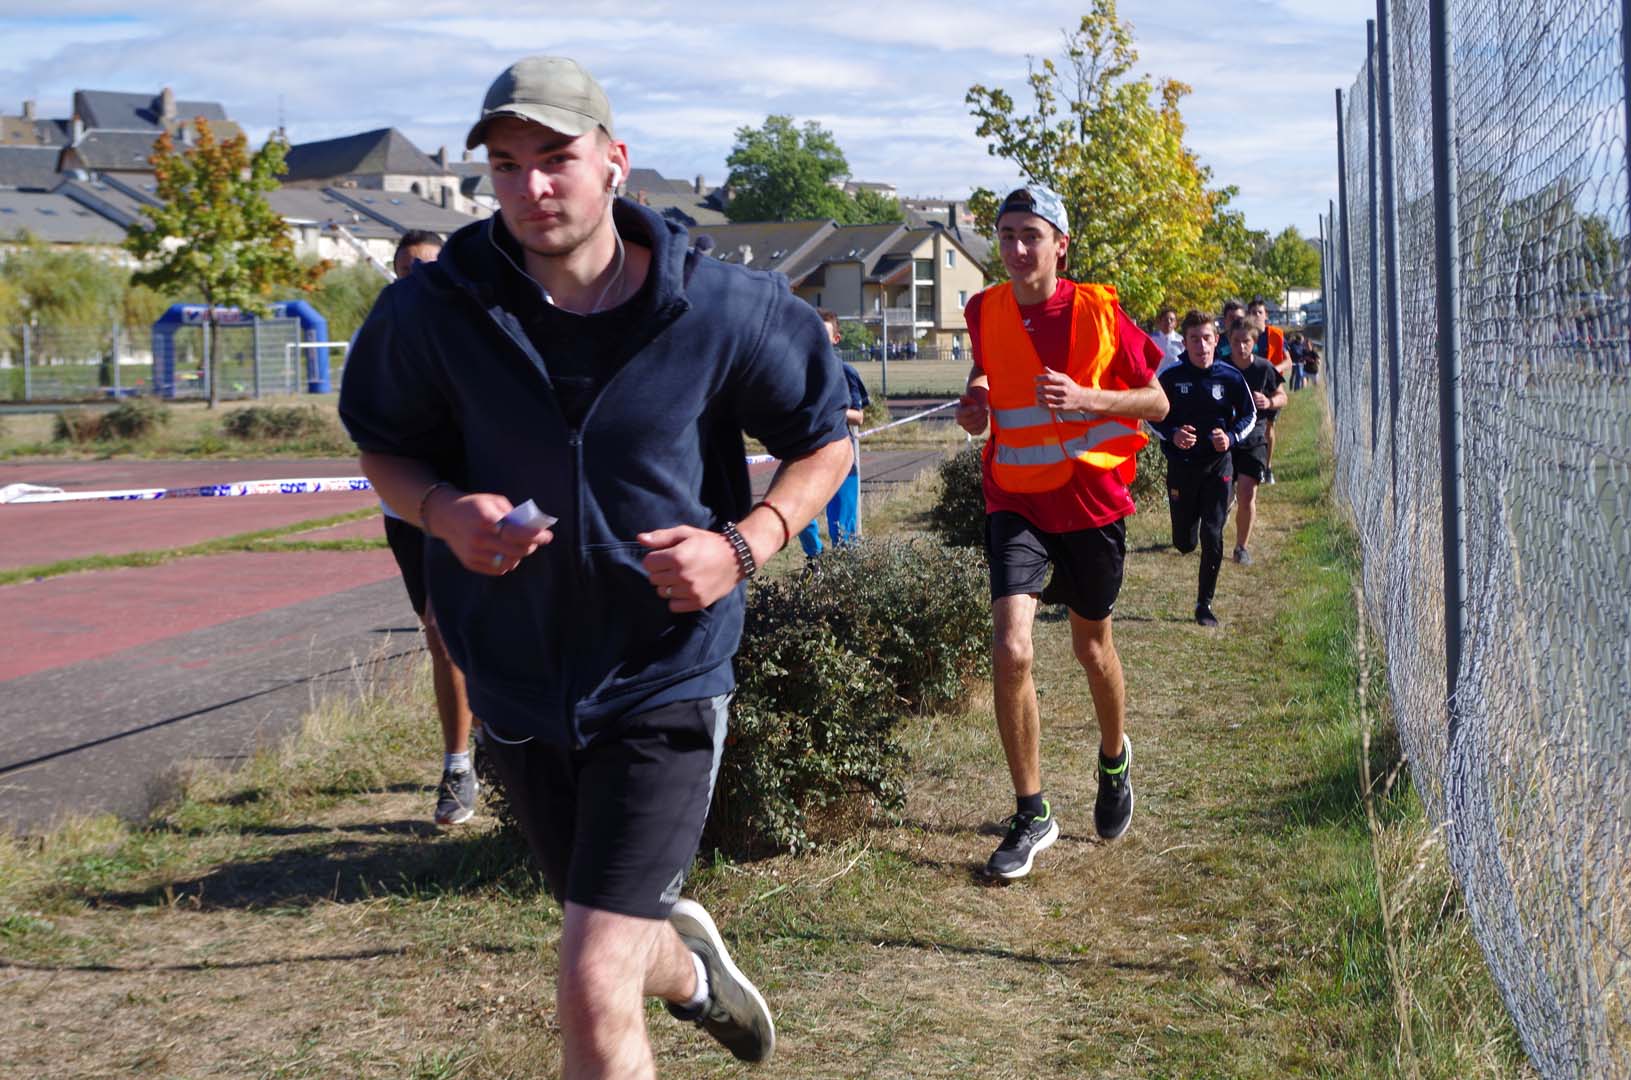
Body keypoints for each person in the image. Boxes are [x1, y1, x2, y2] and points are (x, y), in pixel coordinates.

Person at [339, 55, 853, 1075]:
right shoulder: (436, 311)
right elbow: (384, 451)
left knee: (586, 975)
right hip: (517, 680)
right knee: (605, 939)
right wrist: (443, 512)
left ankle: (660, 961)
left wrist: (742, 546)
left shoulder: (717, 309)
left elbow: (824, 438)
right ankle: (691, 973)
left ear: (614, 163)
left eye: (556, 158)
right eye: (507, 164)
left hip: (663, 671)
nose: (532, 186)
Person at [954, 184, 1168, 879]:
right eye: (1006, 234)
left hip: (1091, 505)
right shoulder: (982, 308)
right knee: (1011, 649)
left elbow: (1157, 400)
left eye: (1030, 235)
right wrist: (977, 398)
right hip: (1012, 500)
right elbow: (986, 370)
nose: (1015, 249)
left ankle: (1113, 759)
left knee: (1090, 649)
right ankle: (1032, 811)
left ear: (1059, 244)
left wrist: (1089, 400)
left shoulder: (1099, 312)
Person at [371, 230, 483, 827]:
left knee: (450, 632)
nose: (416, 276)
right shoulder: (382, 338)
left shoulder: (475, 330)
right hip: (408, 513)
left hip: (470, 506)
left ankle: (459, 766)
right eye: (405, 267)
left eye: (429, 267)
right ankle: (477, 744)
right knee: (441, 636)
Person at [1150, 311, 1256, 627]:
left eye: (1207, 338)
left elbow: (1249, 415)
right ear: (1185, 343)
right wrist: (1172, 434)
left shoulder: (1231, 377)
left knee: (1213, 533)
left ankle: (1204, 604)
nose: (1201, 345)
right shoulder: (1170, 377)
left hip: (1217, 466)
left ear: (1216, 340)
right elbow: (1151, 415)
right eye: (1194, 339)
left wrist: (1232, 436)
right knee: (1184, 542)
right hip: (1182, 468)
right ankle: (1186, 529)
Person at [797, 308, 870, 557]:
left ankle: (845, 576)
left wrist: (830, 410)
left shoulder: (846, 372)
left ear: (835, 340)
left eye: (824, 335)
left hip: (840, 459)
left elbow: (858, 416)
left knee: (843, 532)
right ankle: (815, 560)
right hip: (806, 457)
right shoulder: (797, 372)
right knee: (801, 518)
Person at [1221, 319, 1286, 565]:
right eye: (1235, 341)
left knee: (1247, 493)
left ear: (1254, 342)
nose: (1240, 346)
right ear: (1229, 342)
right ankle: (1217, 528)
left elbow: (1282, 396)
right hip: (1226, 440)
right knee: (1224, 494)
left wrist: (1269, 402)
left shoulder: (1264, 368)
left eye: (1246, 341)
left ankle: (1241, 548)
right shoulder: (1220, 368)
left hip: (1255, 438)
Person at [1245, 297, 1289, 482]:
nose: (1256, 316)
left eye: (1259, 312)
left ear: (1266, 315)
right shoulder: (1244, 335)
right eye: (1253, 312)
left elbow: (1288, 359)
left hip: (1270, 387)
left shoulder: (1275, 335)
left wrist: (1275, 370)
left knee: (1268, 427)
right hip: (1250, 386)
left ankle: (1267, 467)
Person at [1152, 306, 1184, 373]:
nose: (1169, 322)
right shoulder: (1151, 340)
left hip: (1175, 379)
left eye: (1171, 320)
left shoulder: (1182, 341)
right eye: (1166, 319)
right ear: (1160, 322)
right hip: (1157, 380)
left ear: (1175, 323)